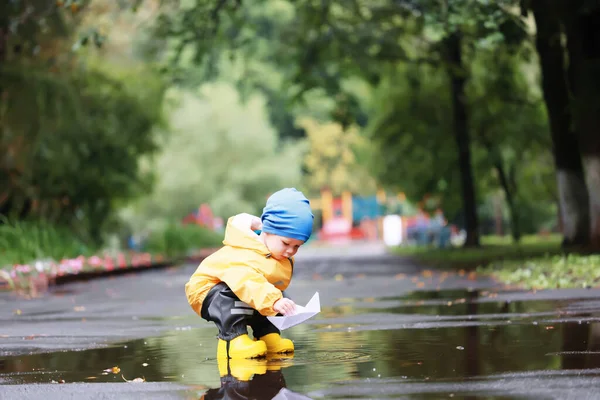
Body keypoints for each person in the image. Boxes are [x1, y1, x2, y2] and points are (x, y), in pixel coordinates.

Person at [185, 188, 314, 360]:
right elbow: (245, 281)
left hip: (244, 287)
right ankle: (232, 340)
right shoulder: (247, 250)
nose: (290, 251)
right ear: (267, 230)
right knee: (244, 295)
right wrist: (274, 300)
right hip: (207, 290)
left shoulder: (275, 254)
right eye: (286, 243)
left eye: (297, 246)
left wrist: (277, 300)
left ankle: (268, 336)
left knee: (270, 294)